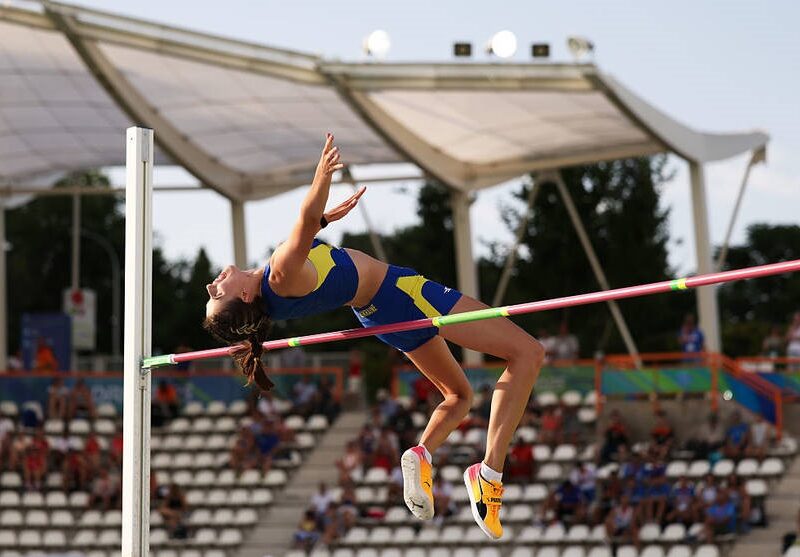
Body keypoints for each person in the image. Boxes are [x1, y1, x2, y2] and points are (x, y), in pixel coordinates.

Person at [201, 134, 545, 539]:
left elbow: (311, 229)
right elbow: (305, 220)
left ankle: (422, 452)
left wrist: (325, 220)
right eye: (216, 296)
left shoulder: (275, 295)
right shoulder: (278, 273)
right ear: (244, 296)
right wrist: (321, 177)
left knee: (458, 396)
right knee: (528, 353)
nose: (211, 287)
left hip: (377, 316)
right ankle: (489, 473)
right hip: (403, 294)